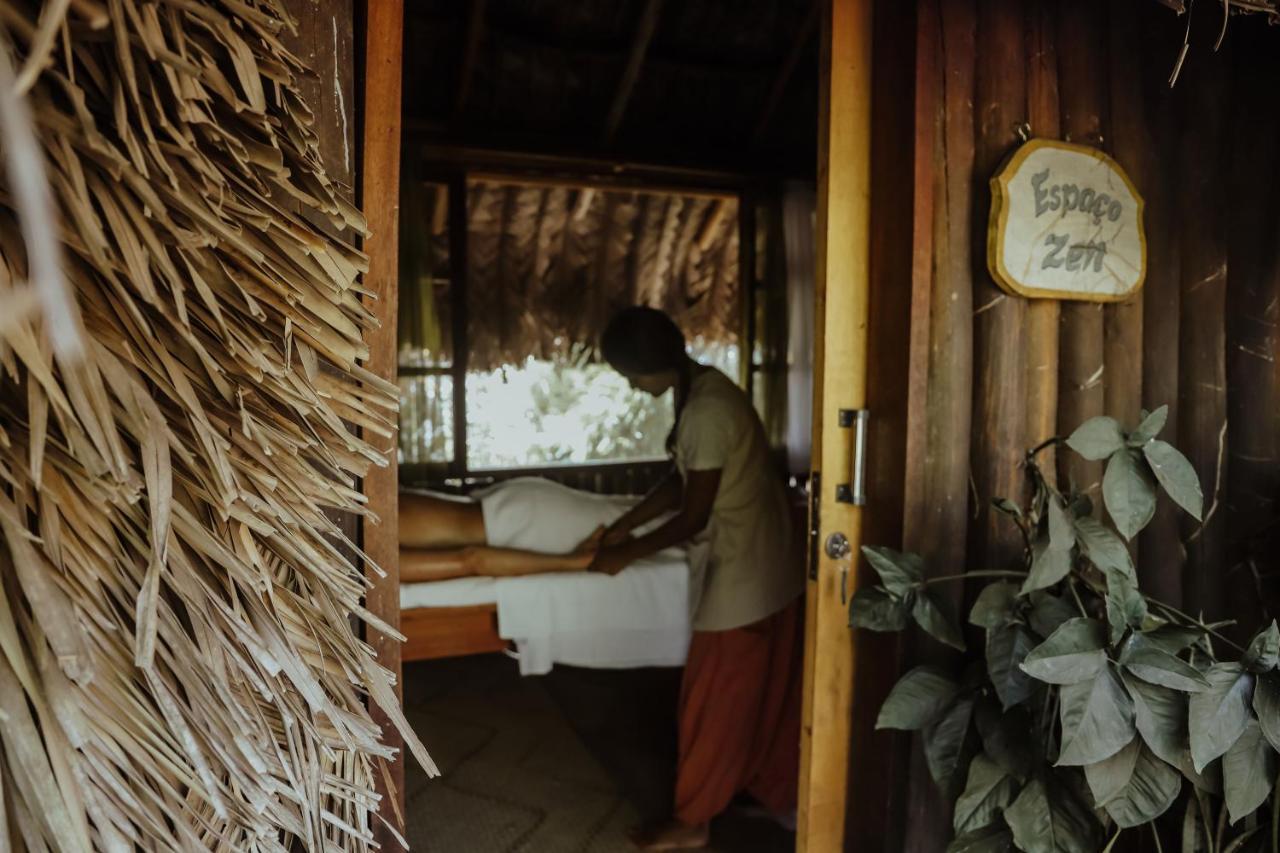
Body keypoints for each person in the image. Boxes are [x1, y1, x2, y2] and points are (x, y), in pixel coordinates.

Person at [587, 306, 804, 851]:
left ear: (653, 365)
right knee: (764, 697)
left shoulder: (706, 411)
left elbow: (694, 516)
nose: (635, 388)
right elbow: (684, 482)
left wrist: (626, 554)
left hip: (746, 574)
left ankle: (693, 821)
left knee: (714, 702)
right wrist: (624, 526)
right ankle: (778, 798)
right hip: (770, 565)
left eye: (633, 377)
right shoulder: (703, 389)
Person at [398, 477, 681, 582]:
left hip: (527, 520)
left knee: (679, 531)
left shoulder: (371, 552)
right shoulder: (369, 546)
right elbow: (470, 558)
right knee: (663, 524)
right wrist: (573, 562)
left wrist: (573, 562)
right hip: (523, 509)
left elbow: (471, 559)